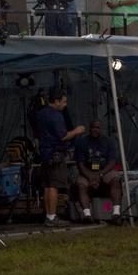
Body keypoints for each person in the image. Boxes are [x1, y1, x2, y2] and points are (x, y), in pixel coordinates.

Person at [32, 88, 85, 227]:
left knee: (47, 185)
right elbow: (63, 136)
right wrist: (76, 131)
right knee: (54, 186)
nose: (65, 105)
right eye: (63, 102)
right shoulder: (56, 116)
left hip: (44, 153)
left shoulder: (40, 114)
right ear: (56, 101)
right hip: (55, 153)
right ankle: (52, 216)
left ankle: (49, 215)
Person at [74, 120, 123, 223]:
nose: (95, 130)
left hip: (105, 170)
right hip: (88, 171)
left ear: (102, 129)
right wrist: (90, 176)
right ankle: (87, 215)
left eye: (97, 128)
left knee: (115, 179)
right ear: (89, 128)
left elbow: (112, 162)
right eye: (93, 127)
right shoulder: (82, 142)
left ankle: (116, 213)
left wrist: (100, 174)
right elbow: (80, 164)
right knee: (81, 185)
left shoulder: (109, 142)